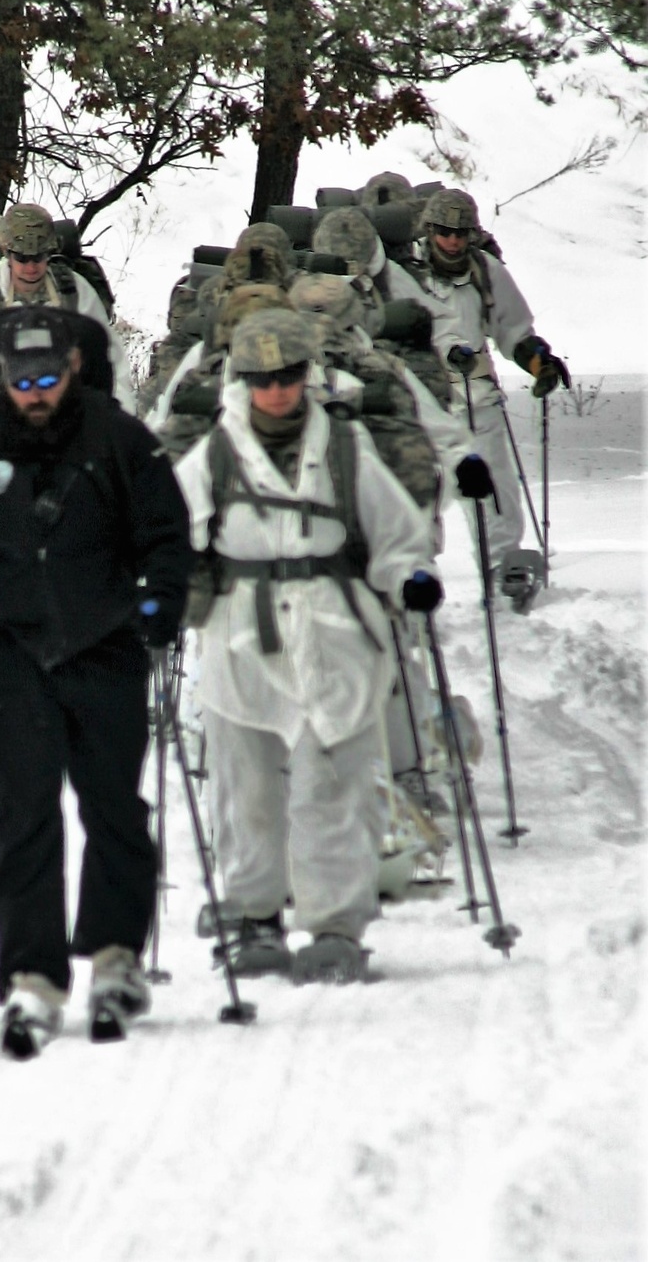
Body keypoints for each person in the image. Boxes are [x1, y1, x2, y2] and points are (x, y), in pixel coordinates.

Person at [0, 304, 193, 1059]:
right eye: (21, 377)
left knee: (114, 810)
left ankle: (117, 959)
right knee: (22, 816)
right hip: (8, 656)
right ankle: (32, 974)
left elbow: (167, 530)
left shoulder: (120, 439)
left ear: (72, 371)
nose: (35, 391)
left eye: (49, 376)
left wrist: (162, 595)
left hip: (106, 648)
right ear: (2, 375)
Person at [174, 309, 442, 984]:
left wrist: (412, 579)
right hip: (242, 635)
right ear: (244, 379)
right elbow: (170, 531)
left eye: (288, 376)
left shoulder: (348, 449)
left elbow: (396, 535)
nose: (276, 392)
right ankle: (250, 915)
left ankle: (334, 925)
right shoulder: (215, 452)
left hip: (334, 632)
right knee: (246, 789)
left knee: (335, 789)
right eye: (262, 379)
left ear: (307, 375)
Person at [385, 188, 569, 582]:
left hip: (476, 398)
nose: (452, 241)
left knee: (492, 485)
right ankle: (402, 574)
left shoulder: (486, 271)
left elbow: (513, 328)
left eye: (461, 233)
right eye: (445, 232)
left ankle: (503, 567)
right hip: (420, 402)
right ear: (429, 230)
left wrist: (539, 361)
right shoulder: (405, 272)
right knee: (412, 491)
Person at [0, 202, 135, 416]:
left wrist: (119, 418)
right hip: (3, 419)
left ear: (49, 253)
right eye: (22, 258)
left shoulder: (74, 293)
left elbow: (110, 359)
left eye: (39, 257)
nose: (31, 267)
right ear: (6, 252)